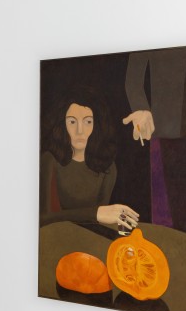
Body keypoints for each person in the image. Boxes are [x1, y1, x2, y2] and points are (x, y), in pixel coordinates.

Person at [40, 87, 139, 231]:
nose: (80, 131)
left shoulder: (107, 167)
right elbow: (44, 219)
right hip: (58, 236)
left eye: (88, 122)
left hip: (89, 238)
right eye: (72, 122)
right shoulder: (50, 160)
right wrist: (95, 213)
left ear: (96, 125)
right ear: (62, 124)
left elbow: (100, 222)